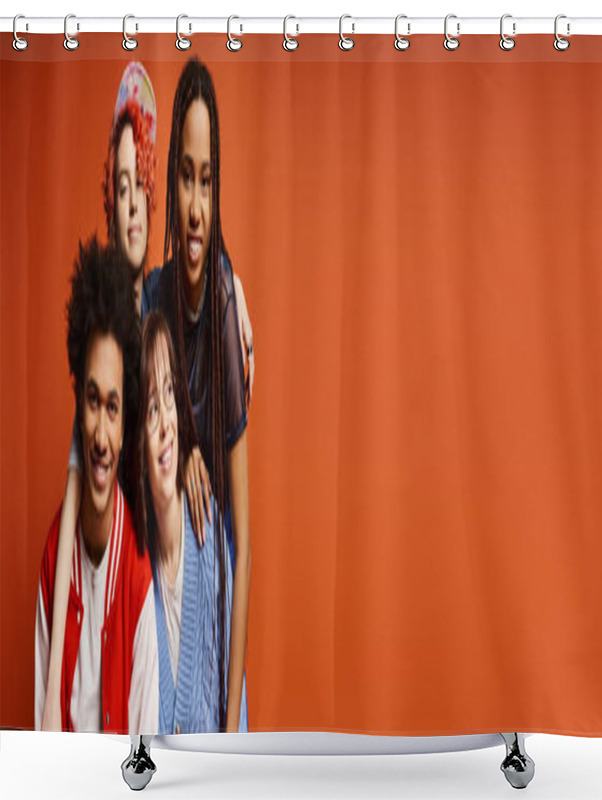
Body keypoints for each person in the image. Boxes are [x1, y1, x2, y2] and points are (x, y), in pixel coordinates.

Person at [41, 62, 256, 732]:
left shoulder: (200, 296)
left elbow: (241, 544)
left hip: (194, 572)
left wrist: (236, 291)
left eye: (145, 188)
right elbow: (89, 466)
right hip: (136, 596)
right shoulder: (130, 314)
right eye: (124, 189)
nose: (137, 205)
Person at [152, 57, 250, 732]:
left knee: (206, 532)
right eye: (185, 178)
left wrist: (233, 713)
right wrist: (181, 447)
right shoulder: (152, 298)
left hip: (212, 608)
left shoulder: (225, 306)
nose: (195, 206)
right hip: (163, 610)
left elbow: (250, 544)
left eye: (207, 181)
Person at [35, 237, 158, 734]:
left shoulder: (138, 577)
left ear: (125, 422)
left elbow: (148, 768)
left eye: (113, 406)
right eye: (91, 401)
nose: (102, 437)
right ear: (77, 405)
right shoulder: (52, 563)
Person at [137, 312, 246, 733]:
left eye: (169, 397)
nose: (166, 422)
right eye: (149, 409)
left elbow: (238, 718)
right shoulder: (132, 562)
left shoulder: (210, 536)